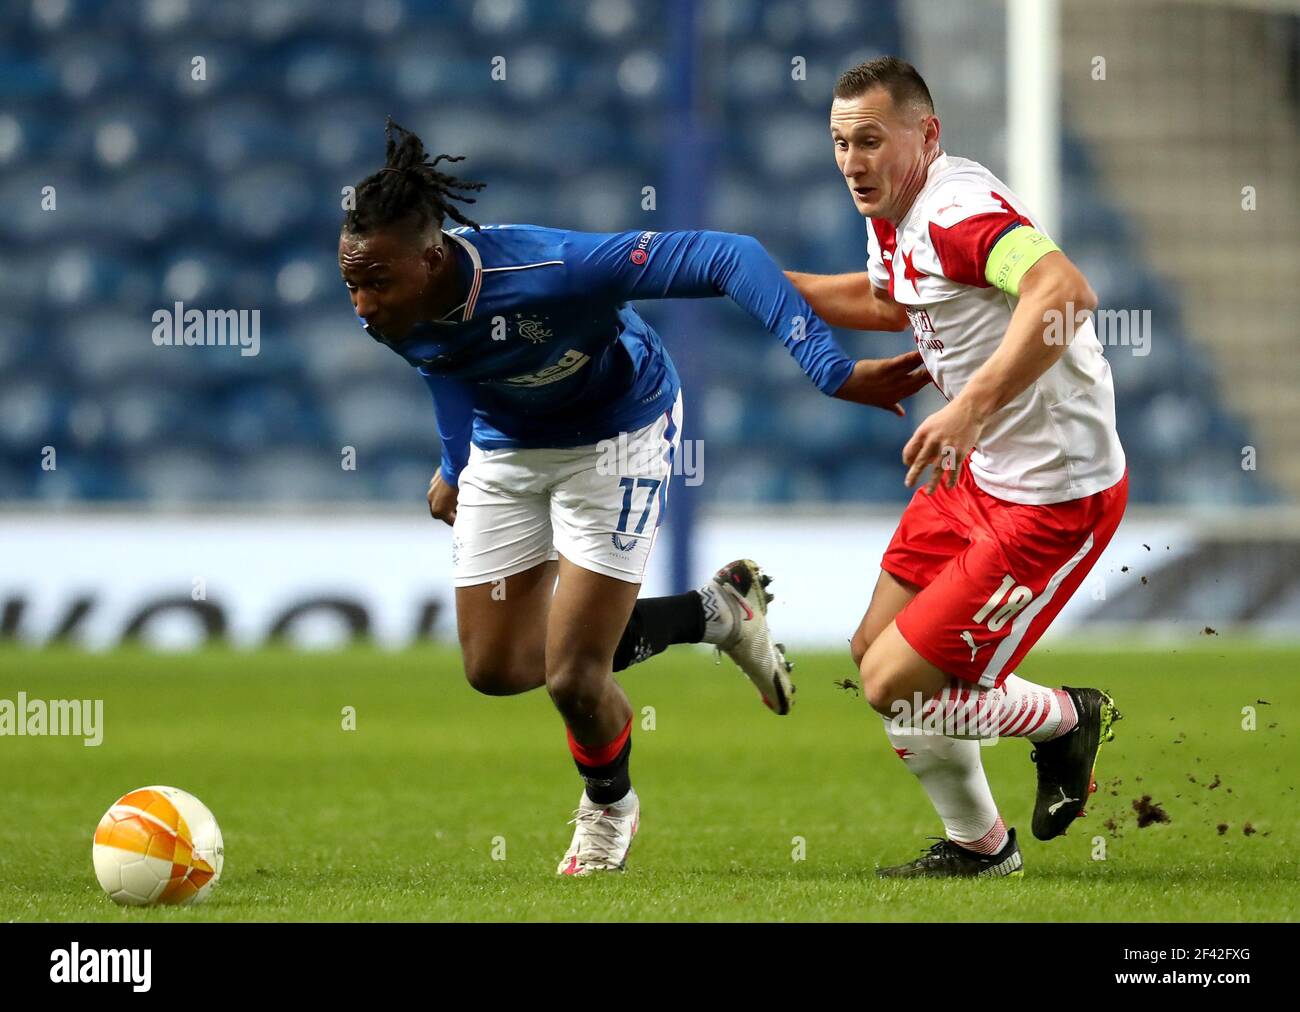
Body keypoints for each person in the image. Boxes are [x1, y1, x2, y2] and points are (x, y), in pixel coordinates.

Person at [338, 119, 931, 876]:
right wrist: (456, 463)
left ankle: (607, 810)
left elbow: (729, 255)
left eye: (374, 282)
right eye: (350, 281)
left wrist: (830, 368)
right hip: (506, 447)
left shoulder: (555, 269)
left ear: (431, 256)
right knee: (495, 667)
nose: (360, 303)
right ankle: (713, 614)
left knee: (574, 678)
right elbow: (445, 364)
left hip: (619, 436)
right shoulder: (392, 304)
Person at [787, 57, 1128, 877]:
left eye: (869, 140)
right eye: (840, 144)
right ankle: (983, 848)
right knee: (875, 650)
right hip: (978, 477)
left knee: (895, 686)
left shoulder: (955, 212)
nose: (851, 162)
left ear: (926, 134)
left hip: (1052, 495)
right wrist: (750, 282)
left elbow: (1065, 291)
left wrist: (970, 405)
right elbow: (887, 301)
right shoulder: (894, 211)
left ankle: (1064, 717)